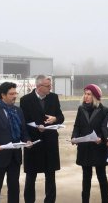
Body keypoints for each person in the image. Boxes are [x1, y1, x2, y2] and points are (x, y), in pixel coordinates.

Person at [0, 82, 31, 203]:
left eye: (15, 93)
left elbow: (23, 131)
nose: (15, 96)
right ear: (2, 95)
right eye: (11, 94)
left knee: (14, 188)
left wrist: (28, 140)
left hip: (14, 157)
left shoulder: (18, 111)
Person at [20, 75, 65, 203]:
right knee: (31, 176)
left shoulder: (53, 97)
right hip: (33, 142)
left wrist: (55, 119)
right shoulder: (25, 100)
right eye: (48, 86)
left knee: (50, 176)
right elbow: (24, 122)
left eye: (50, 85)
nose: (50, 88)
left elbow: (61, 116)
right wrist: (35, 128)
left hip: (50, 142)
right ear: (39, 87)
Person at [71, 84, 108, 203]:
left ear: (95, 96)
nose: (86, 97)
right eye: (85, 94)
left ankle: (105, 200)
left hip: (99, 148)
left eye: (89, 94)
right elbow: (77, 125)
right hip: (85, 148)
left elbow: (107, 129)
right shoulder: (81, 109)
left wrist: (102, 139)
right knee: (86, 178)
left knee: (101, 177)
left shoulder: (104, 110)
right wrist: (74, 137)